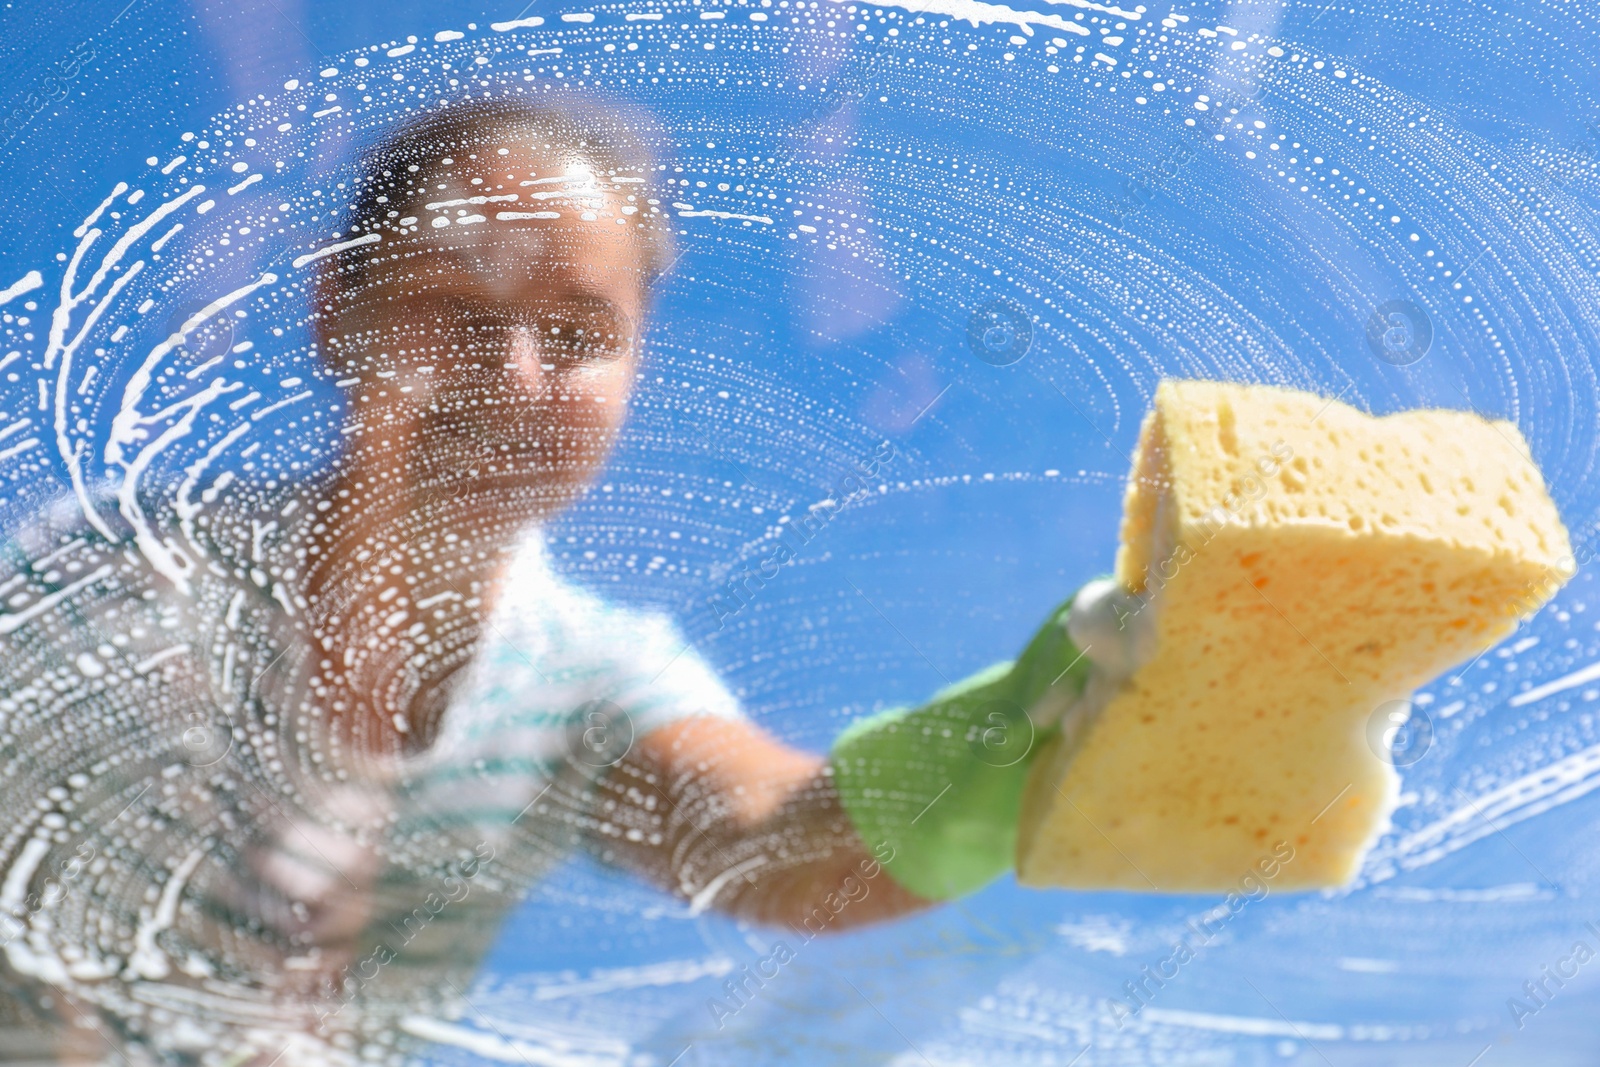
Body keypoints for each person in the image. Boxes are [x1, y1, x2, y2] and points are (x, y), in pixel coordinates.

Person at [0, 95, 1115, 1065]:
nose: (514, 373)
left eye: (578, 332)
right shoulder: (110, 573)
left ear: (637, 364)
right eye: (460, 308)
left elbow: (781, 840)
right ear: (337, 304)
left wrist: (1034, 722)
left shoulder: (584, 676)